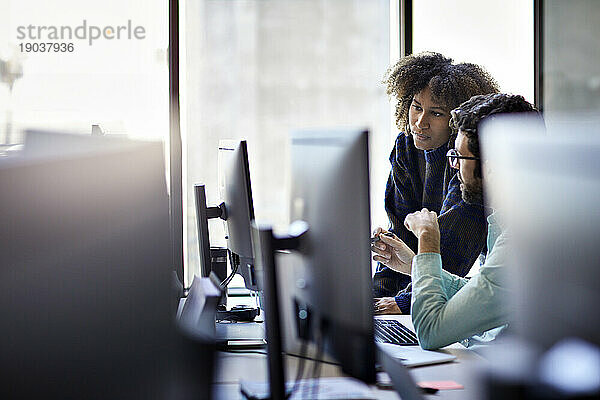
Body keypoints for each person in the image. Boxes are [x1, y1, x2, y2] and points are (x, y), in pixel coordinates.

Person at [374, 93, 538, 349]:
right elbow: (483, 292)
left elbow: (431, 331)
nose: (453, 166)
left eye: (460, 158)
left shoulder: (523, 238)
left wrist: (428, 239)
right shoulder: (508, 219)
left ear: (492, 168)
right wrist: (415, 265)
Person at [373, 52, 499, 314]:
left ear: (457, 122)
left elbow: (451, 256)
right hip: (425, 291)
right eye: (416, 107)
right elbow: (400, 234)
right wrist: (374, 299)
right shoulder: (406, 147)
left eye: (437, 113)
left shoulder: (467, 161)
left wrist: (404, 302)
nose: (420, 122)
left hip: (476, 302)